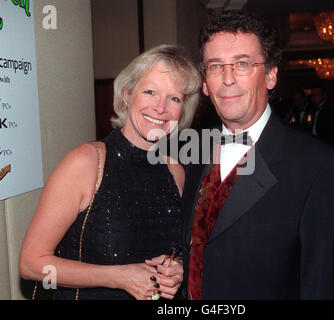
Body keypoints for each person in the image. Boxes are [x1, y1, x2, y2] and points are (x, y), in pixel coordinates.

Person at [181, 11, 334, 300]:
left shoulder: (318, 166)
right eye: (215, 66)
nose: (227, 79)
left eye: (242, 64)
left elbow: (328, 283)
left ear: (271, 75)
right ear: (204, 83)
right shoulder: (191, 154)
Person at [19, 45, 201, 300]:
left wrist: (177, 268)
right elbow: (31, 264)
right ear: (127, 95)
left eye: (174, 98)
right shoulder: (86, 162)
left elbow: (179, 249)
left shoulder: (175, 172)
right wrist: (119, 277)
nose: (161, 107)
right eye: (150, 92)